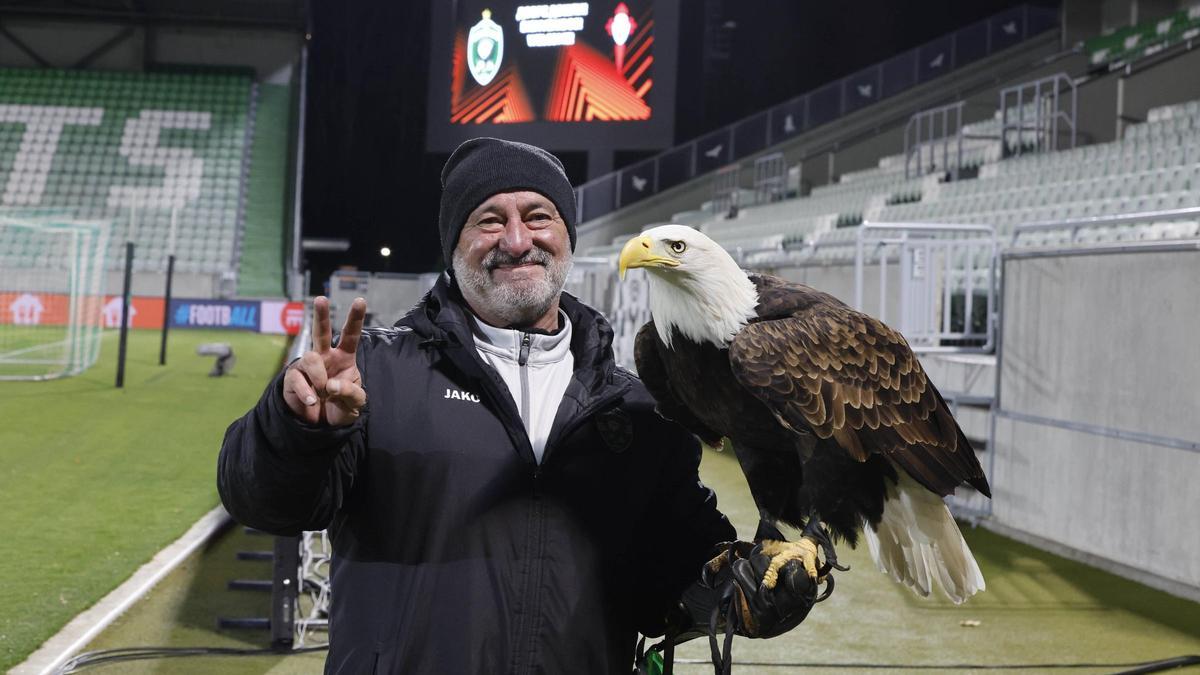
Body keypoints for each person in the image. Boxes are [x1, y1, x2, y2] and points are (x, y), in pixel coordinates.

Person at [218, 138, 812, 674]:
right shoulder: (375, 376)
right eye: (489, 220)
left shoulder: (635, 410)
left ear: (567, 239)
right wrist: (296, 430)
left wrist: (736, 591)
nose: (517, 240)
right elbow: (263, 502)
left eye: (537, 217)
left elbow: (668, 576)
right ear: (454, 245)